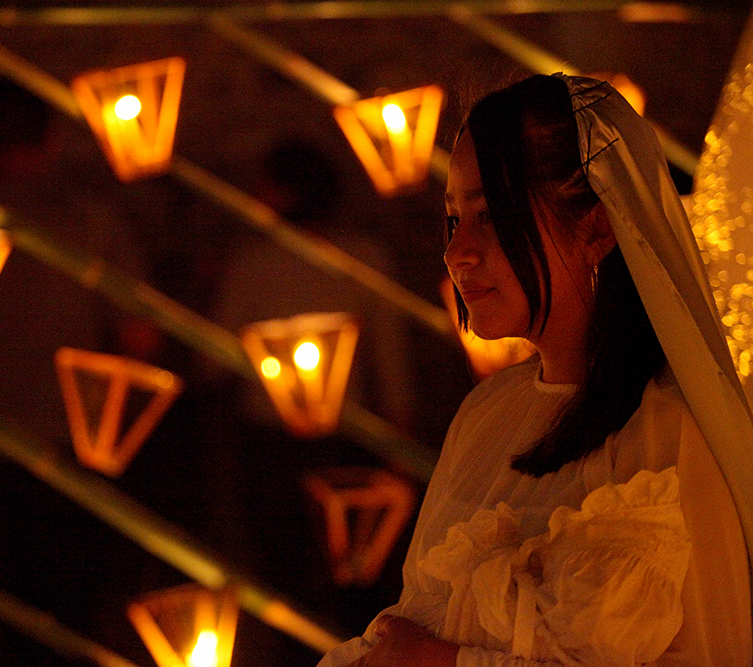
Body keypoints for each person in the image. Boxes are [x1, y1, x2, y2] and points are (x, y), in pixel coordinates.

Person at [317, 73, 753, 666]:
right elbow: (412, 620)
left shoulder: (671, 431)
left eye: (491, 216)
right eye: (454, 220)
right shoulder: (485, 414)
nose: (456, 252)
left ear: (596, 227)